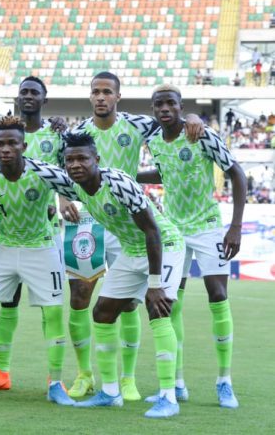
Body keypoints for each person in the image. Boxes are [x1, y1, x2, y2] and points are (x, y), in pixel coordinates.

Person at [58, 72, 202, 401]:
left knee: (150, 306)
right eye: (95, 91)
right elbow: (46, 167)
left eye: (107, 91)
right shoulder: (77, 139)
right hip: (103, 227)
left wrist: (193, 116)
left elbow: (171, 121)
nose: (101, 97)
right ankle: (95, 382)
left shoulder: (133, 133)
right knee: (88, 302)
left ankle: (151, 389)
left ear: (117, 96)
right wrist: (64, 198)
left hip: (147, 234)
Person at [57, 133, 185, 418]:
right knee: (102, 312)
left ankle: (168, 397)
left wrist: (154, 284)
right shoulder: (74, 185)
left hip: (164, 245)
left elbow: (152, 230)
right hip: (132, 248)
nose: (75, 164)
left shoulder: (118, 182)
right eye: (70, 160)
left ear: (96, 159)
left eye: (82, 158)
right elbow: (38, 172)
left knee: (158, 309)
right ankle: (110, 392)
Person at [142, 85, 246, 409]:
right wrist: (134, 175)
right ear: (153, 109)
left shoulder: (201, 135)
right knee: (170, 303)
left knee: (218, 295)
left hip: (208, 226)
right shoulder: (154, 141)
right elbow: (165, 172)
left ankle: (224, 381)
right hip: (173, 230)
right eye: (158, 104)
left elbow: (237, 174)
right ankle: (177, 383)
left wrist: (235, 226)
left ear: (180, 106)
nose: (164, 108)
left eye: (170, 103)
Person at [0, 117, 73, 406]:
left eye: (12, 143)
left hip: (42, 248)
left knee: (53, 315)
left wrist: (65, 203)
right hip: (3, 247)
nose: (6, 149)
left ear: (24, 145)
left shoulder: (46, 173)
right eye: (0, 143)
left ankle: (56, 384)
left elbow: (82, 187)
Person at [0, 77, 66, 393]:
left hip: (44, 234)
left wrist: (61, 201)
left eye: (34, 92)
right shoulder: (2, 133)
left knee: (52, 305)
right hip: (5, 234)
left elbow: (68, 172)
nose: (28, 96)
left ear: (45, 99)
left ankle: (56, 377)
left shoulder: (56, 133)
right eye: (24, 92)